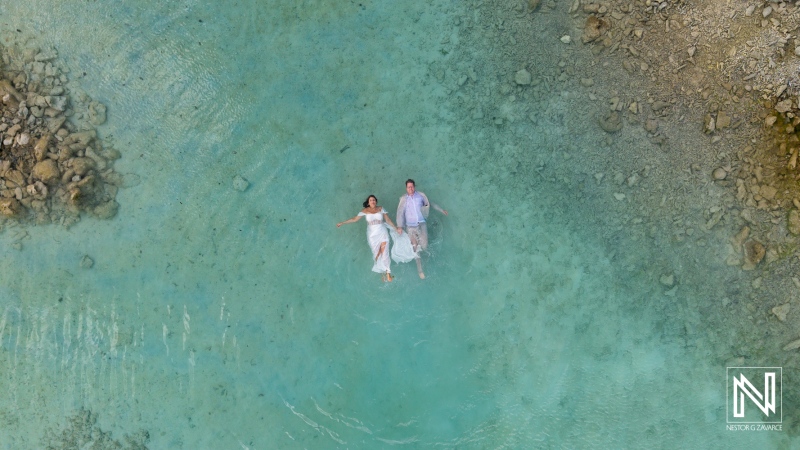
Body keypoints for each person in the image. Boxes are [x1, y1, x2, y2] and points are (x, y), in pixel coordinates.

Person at [337, 195, 399, 282]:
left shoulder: (381, 208)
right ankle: (381, 271)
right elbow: (354, 219)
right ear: (368, 202)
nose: (372, 201)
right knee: (377, 254)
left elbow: (387, 220)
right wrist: (343, 223)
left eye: (374, 200)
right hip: (372, 235)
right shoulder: (365, 211)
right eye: (371, 200)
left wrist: (396, 228)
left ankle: (388, 273)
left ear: (376, 201)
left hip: (382, 232)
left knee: (385, 252)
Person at [395, 179, 448, 279]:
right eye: (408, 187)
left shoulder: (420, 196)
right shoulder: (403, 199)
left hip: (421, 224)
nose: (410, 188)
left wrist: (441, 210)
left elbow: (430, 204)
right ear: (406, 188)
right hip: (410, 227)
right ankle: (420, 270)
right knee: (415, 248)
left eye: (412, 186)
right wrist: (399, 226)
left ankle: (426, 259)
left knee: (424, 246)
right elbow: (400, 212)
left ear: (414, 186)